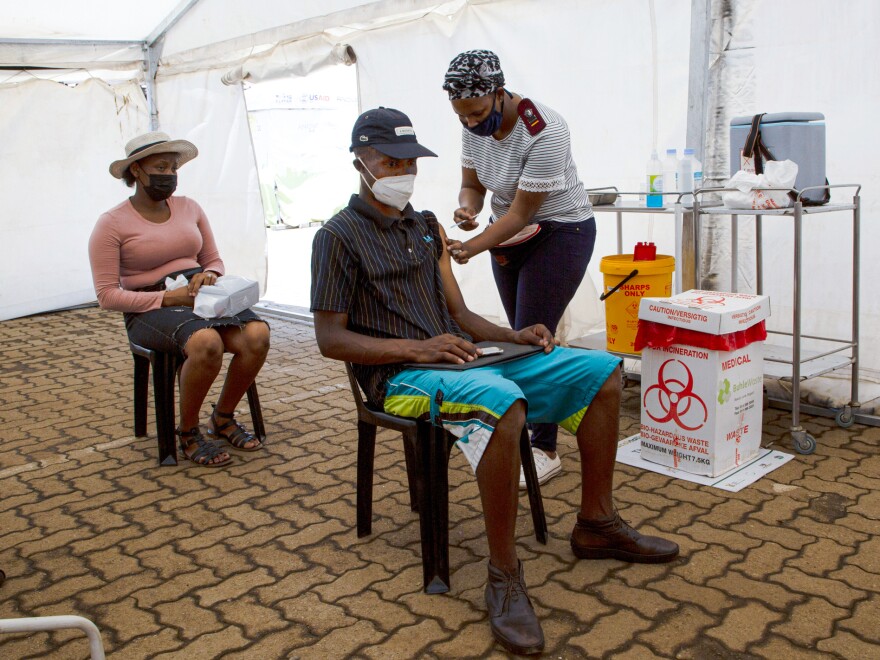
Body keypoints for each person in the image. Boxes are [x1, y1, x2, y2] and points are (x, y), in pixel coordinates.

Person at [311, 108, 679, 655]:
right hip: (400, 376)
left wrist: (513, 335)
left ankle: (597, 524)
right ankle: (504, 575)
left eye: (409, 162)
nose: (403, 172)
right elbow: (330, 339)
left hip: (462, 356)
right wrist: (418, 348)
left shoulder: (426, 227)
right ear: (360, 164)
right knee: (503, 401)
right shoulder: (336, 237)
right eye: (390, 162)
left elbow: (460, 315)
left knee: (601, 372)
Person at [442, 49, 598, 489]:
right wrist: (468, 209)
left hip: (560, 231)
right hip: (509, 235)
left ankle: (544, 448)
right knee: (519, 334)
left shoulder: (544, 129)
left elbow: (522, 213)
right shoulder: (472, 125)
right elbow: (472, 185)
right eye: (461, 116)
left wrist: (471, 247)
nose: (470, 123)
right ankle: (527, 430)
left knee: (534, 337)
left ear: (499, 92)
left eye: (476, 113)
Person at [89, 132, 270, 467]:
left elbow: (213, 259)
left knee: (257, 334)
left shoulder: (190, 207)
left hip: (199, 293)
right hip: (148, 305)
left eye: (173, 168)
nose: (169, 175)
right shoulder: (111, 223)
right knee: (206, 342)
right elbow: (107, 295)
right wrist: (168, 298)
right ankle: (188, 431)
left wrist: (209, 274)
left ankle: (223, 417)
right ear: (136, 171)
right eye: (161, 167)